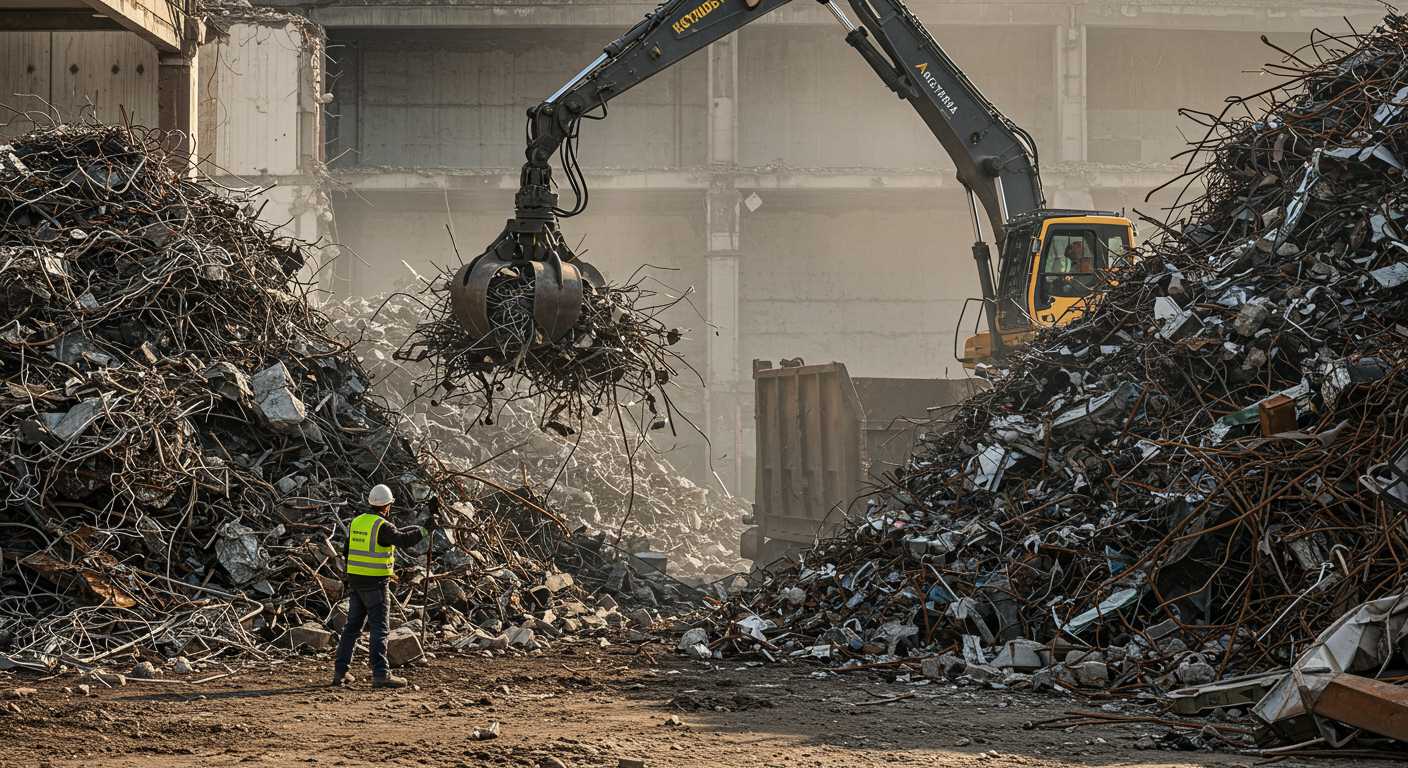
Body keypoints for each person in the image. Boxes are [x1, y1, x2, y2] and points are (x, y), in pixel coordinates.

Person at [332, 484, 436, 688]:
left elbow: (347, 550)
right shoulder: (383, 526)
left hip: (356, 582)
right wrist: (425, 530)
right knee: (380, 628)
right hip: (376, 583)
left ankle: (340, 672)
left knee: (351, 629)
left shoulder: (357, 522)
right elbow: (403, 540)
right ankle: (381, 674)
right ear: (388, 506)